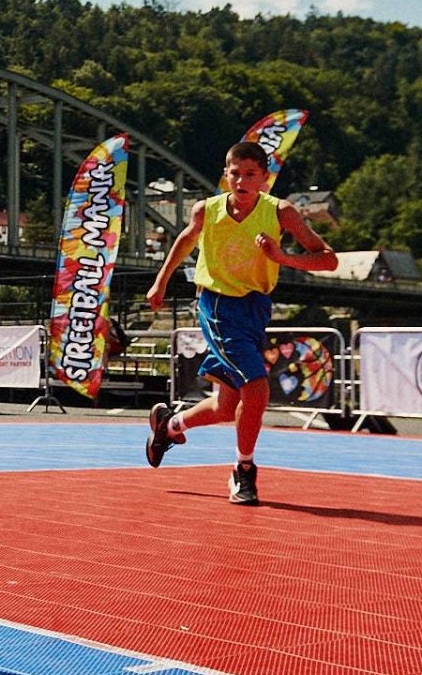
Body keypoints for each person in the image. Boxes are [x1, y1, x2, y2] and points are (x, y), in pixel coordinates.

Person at [142, 140, 339, 505]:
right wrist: (161, 281)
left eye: (250, 174)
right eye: (235, 174)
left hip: (255, 307)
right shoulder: (207, 210)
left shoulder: (280, 212)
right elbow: (185, 241)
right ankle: (243, 470)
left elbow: (328, 260)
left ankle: (169, 425)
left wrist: (281, 257)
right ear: (226, 175)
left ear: (265, 179)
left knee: (225, 405)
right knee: (257, 389)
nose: (242, 181)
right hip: (218, 304)